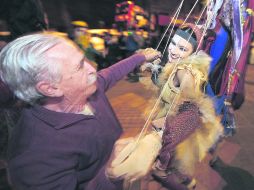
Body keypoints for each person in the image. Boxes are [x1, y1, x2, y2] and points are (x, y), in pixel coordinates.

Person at [0, 32, 161, 190]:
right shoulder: (32, 158)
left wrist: (141, 57)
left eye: (84, 59)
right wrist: (110, 174)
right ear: (50, 88)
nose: (92, 68)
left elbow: (110, 73)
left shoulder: (87, 86)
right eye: (79, 66)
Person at [107, 52, 223, 190]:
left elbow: (192, 113)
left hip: (172, 127)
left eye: (182, 48)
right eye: (173, 43)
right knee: (174, 163)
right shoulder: (173, 67)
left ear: (192, 53)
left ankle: (186, 185)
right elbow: (163, 84)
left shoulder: (185, 74)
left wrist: (156, 140)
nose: (174, 50)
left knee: (160, 171)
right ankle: (187, 181)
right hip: (162, 122)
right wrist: (153, 68)